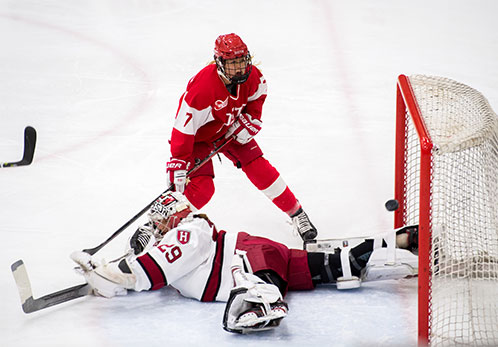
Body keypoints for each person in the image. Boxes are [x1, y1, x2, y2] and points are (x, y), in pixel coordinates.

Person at [71, 192, 419, 334]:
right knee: (337, 267)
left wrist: (115, 276)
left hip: (247, 256)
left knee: (251, 279)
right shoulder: (188, 230)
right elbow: (154, 269)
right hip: (268, 253)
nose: (159, 229)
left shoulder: (190, 229)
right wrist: (116, 280)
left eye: (162, 222)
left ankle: (264, 298)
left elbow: (152, 271)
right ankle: (396, 243)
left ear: (174, 218)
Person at [166, 32, 317, 241]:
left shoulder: (253, 76)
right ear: (219, 63)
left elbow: (257, 98)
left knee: (258, 165)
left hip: (229, 129)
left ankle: (296, 213)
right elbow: (183, 129)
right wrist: (179, 161)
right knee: (203, 188)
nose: (239, 68)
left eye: (241, 61)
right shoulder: (202, 89)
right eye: (232, 63)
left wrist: (251, 119)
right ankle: (160, 224)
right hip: (198, 139)